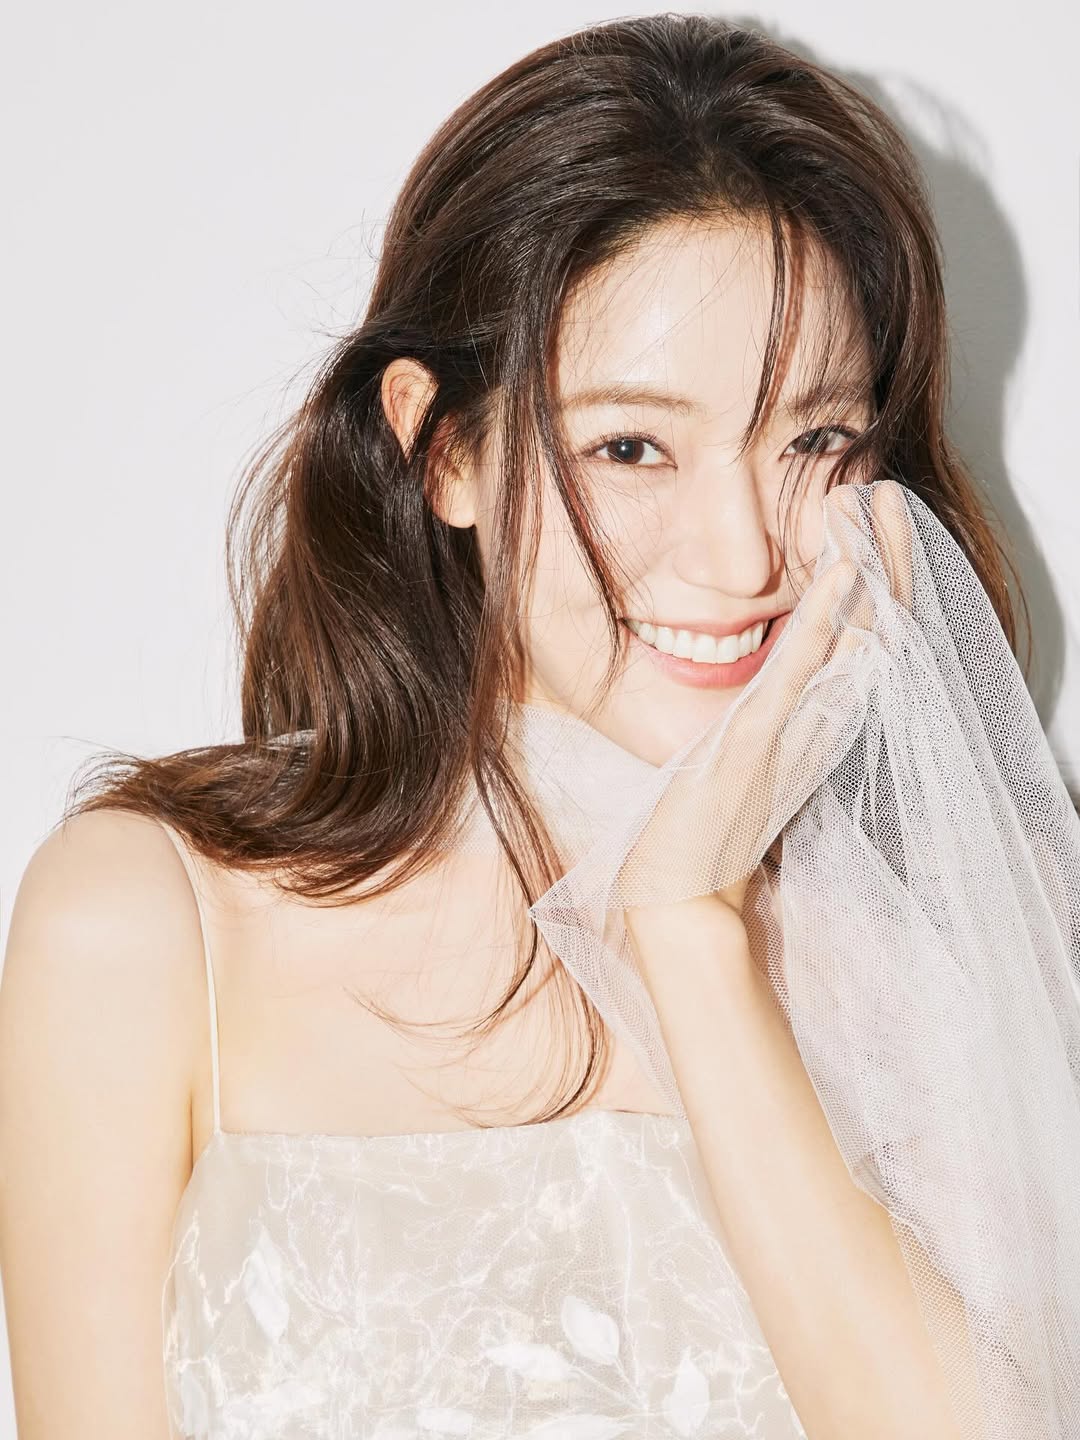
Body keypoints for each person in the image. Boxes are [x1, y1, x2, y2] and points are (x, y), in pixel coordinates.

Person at [2, 13, 1070, 1439]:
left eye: (813, 440)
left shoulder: (948, 941)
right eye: (632, 447)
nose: (744, 554)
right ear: (442, 447)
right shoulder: (151, 922)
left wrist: (687, 926)